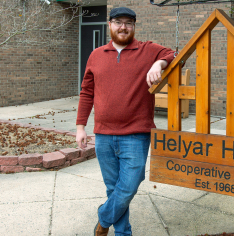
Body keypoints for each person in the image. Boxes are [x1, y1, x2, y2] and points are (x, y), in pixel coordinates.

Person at [75, 6, 175, 236]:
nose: (123, 27)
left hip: (136, 135)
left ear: (134, 26)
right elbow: (86, 92)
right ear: (109, 25)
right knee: (114, 189)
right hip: (104, 136)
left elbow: (175, 54)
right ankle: (122, 233)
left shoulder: (147, 49)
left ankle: (103, 218)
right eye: (118, 22)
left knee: (128, 187)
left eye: (129, 23)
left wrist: (158, 64)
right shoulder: (96, 55)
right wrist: (80, 126)